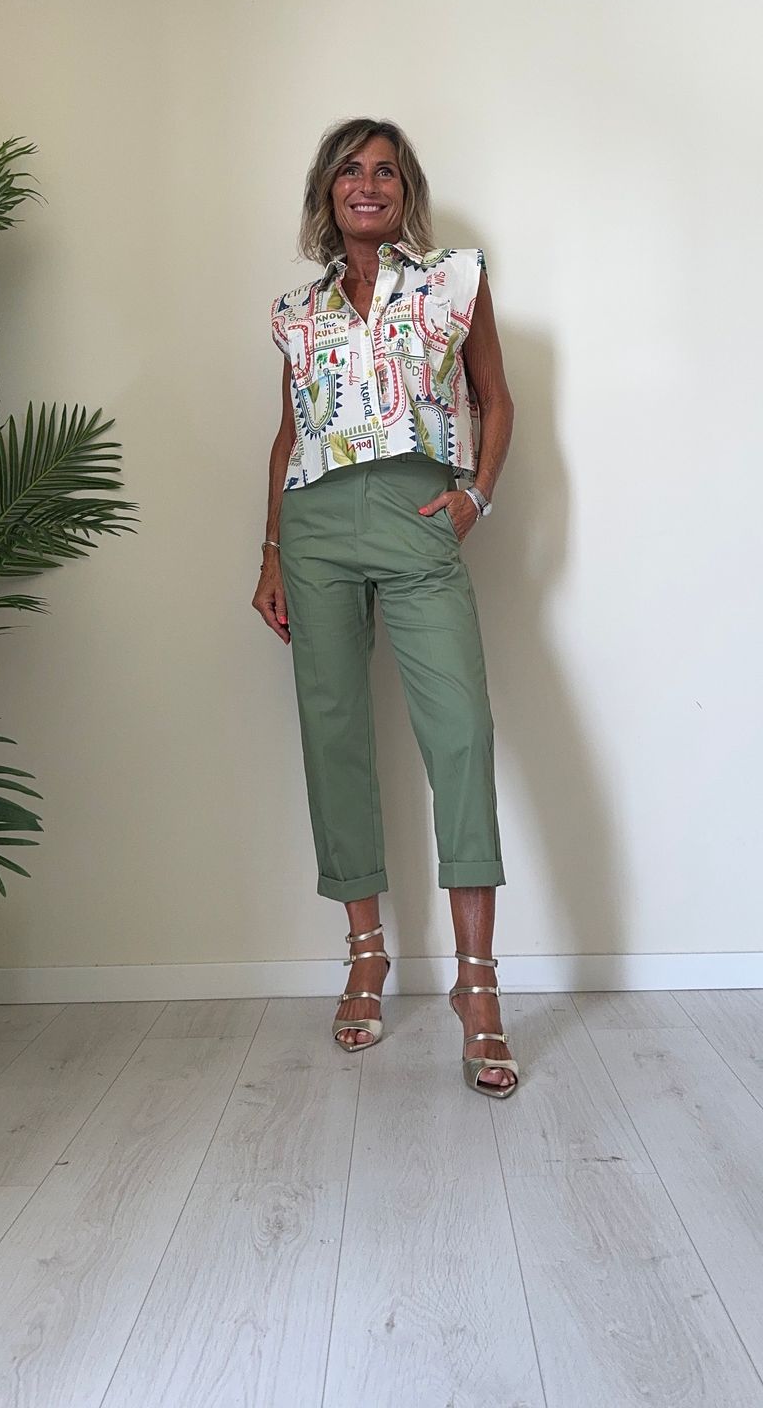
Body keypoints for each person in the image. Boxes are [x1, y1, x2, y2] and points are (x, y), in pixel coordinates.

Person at [253, 117, 518, 1097]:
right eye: (349, 171)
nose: (367, 185)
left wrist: (474, 497)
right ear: (327, 192)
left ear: (405, 192)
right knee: (334, 735)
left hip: (416, 516)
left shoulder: (453, 281)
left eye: (385, 172)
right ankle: (365, 955)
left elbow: (494, 399)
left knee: (461, 736)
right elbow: (290, 435)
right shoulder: (296, 310)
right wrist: (270, 552)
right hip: (314, 528)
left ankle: (476, 985)